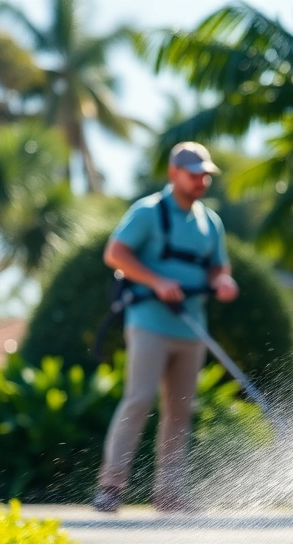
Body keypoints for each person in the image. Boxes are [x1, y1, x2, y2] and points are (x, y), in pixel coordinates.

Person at [93, 143, 239, 514]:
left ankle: (170, 493)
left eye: (205, 175)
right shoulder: (147, 213)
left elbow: (217, 267)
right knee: (139, 398)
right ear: (174, 174)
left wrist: (223, 282)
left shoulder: (211, 222)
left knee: (180, 410)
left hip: (192, 328)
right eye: (194, 174)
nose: (201, 180)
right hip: (150, 322)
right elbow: (116, 254)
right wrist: (157, 281)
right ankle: (111, 486)